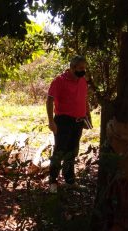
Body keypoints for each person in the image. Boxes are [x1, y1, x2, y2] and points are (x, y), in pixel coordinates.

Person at [46, 55, 91, 193]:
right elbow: (49, 100)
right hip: (63, 121)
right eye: (80, 68)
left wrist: (87, 117)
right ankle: (53, 181)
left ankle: (70, 181)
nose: (83, 71)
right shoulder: (59, 81)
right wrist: (51, 121)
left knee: (72, 152)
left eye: (84, 68)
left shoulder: (83, 80)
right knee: (59, 152)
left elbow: (84, 99)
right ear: (72, 68)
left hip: (78, 122)